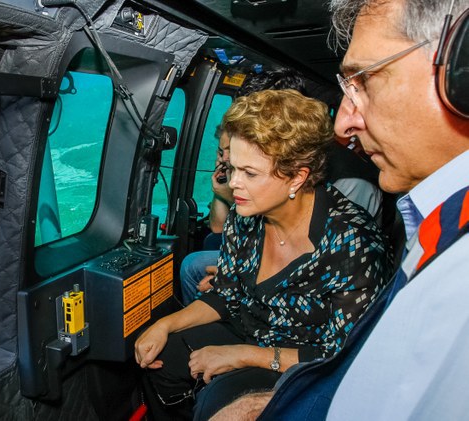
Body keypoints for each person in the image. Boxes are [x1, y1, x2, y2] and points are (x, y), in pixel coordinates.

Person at [210, 0, 469, 419]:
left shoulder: (362, 244)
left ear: (462, 73)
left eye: (363, 82)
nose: (343, 124)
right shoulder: (437, 229)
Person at [135, 89, 390, 420]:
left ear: (297, 176)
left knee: (218, 406)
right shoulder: (246, 218)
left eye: (250, 173)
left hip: (301, 359)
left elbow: (341, 356)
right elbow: (226, 295)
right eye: (233, 167)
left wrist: (242, 355)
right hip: (248, 328)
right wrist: (165, 325)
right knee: (161, 359)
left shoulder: (354, 244)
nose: (234, 184)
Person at [179, 68, 384, 306]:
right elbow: (227, 232)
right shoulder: (250, 169)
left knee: (194, 266)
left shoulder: (352, 187)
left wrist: (239, 284)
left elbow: (327, 271)